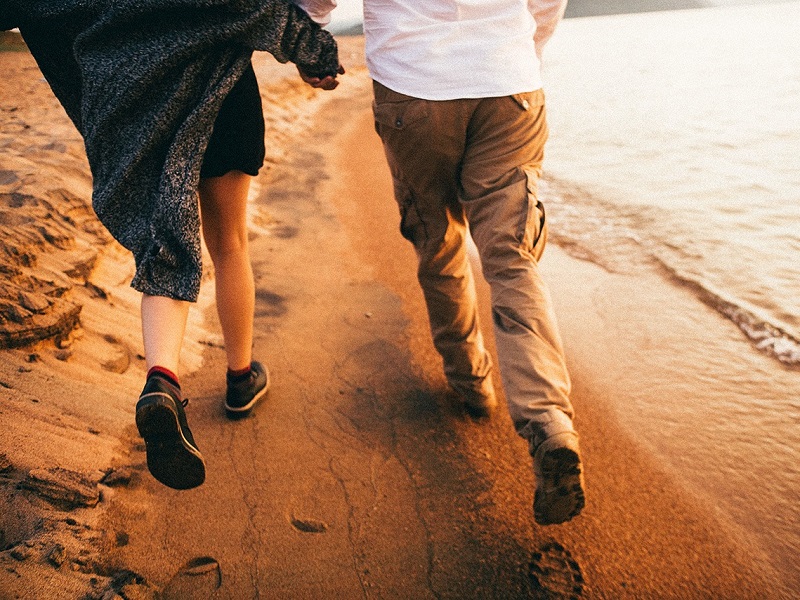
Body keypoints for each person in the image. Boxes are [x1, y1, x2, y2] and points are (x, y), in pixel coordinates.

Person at [6, 0, 343, 490]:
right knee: (229, 245)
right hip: (225, 95)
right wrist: (317, 54)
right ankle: (240, 377)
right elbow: (258, 7)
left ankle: (162, 379)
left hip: (141, 107)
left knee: (166, 241)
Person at [363, 0, 586, 525]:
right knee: (512, 258)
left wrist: (311, 31)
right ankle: (547, 418)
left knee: (438, 242)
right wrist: (521, 52)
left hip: (412, 82)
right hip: (508, 81)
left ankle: (470, 382)